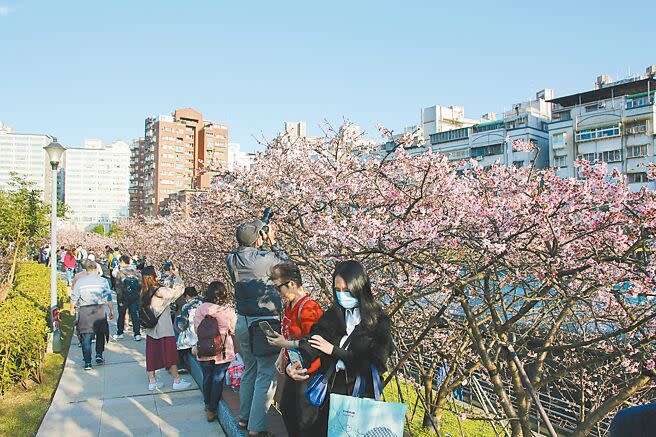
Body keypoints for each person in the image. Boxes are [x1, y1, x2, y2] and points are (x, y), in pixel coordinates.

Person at [287, 260, 394, 434]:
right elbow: (315, 340)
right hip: (331, 391)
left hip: (358, 394)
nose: (342, 295)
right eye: (338, 290)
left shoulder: (379, 322)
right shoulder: (335, 314)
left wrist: (334, 351)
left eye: (347, 290)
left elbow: (376, 364)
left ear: (360, 288)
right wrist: (297, 362)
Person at [226, 219, 291, 436]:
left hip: (243, 321)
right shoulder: (264, 260)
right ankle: (257, 428)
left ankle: (243, 419)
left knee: (250, 369)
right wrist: (272, 240)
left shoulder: (231, 259)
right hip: (264, 322)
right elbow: (288, 265)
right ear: (257, 239)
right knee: (266, 373)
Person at [266, 263, 323, 437]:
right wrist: (281, 353)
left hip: (309, 372)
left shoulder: (309, 308)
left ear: (291, 284)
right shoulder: (289, 306)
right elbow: (289, 336)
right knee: (288, 409)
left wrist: (286, 344)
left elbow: (313, 343)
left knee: (305, 420)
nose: (278, 292)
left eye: (279, 287)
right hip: (294, 368)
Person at [140, 265, 192, 391]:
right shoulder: (159, 291)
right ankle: (176, 380)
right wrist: (177, 276)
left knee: (152, 355)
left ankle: (152, 381)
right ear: (154, 276)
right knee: (170, 355)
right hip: (163, 329)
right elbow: (177, 292)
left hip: (151, 329)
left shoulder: (144, 291)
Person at [192, 281, 237, 422]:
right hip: (222, 351)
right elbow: (234, 329)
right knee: (218, 379)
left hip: (204, 349)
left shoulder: (200, 309)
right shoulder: (227, 310)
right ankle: (212, 410)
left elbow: (196, 328)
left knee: (207, 377)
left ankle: (207, 405)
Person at [71, 259, 114, 370]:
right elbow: (108, 297)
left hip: (85, 310)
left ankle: (88, 362)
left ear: (86, 270)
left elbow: (74, 297)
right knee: (101, 333)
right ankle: (99, 354)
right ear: (95, 269)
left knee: (86, 336)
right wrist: (111, 310)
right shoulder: (102, 281)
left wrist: (72, 309)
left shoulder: (80, 281)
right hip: (99, 309)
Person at [112, 255, 142, 341]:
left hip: (124, 298)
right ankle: (137, 334)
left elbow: (118, 287)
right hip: (135, 297)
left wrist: (119, 299)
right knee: (135, 315)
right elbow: (140, 285)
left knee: (121, 315)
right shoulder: (136, 272)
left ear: (122, 262)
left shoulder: (120, 273)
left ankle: (120, 333)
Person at [175, 286, 203, 373]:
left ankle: (181, 366)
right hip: (205, 332)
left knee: (179, 345)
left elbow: (182, 326)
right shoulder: (204, 302)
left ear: (187, 296)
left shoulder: (186, 307)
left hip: (193, 335)